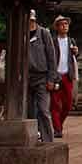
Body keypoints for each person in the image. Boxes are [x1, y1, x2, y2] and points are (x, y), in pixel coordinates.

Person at [28, 10, 58, 143]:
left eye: (32, 20)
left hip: (42, 76)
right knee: (29, 111)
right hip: (25, 77)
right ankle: (31, 137)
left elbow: (51, 57)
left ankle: (48, 140)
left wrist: (51, 78)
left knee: (43, 109)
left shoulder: (44, 33)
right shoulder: (20, 33)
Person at [50, 15, 79, 138]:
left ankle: (59, 125)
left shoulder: (71, 41)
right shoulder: (52, 41)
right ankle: (57, 129)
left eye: (66, 24)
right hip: (56, 75)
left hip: (67, 75)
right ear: (57, 27)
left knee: (68, 104)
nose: (64, 26)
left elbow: (74, 57)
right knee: (55, 104)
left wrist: (76, 52)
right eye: (62, 24)